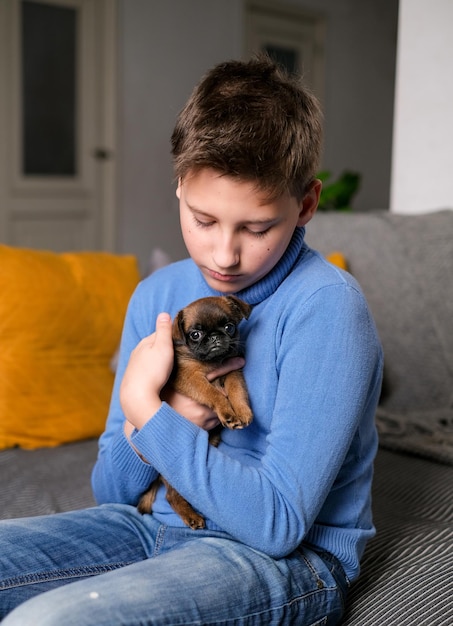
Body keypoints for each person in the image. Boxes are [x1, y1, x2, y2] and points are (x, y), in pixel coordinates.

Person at [0, 55, 383, 625]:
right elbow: (112, 490)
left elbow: (278, 524)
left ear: (304, 206)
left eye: (256, 229)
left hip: (287, 562)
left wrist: (149, 414)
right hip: (150, 524)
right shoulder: (157, 295)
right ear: (179, 187)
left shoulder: (328, 307)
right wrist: (174, 410)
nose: (224, 255)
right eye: (204, 220)